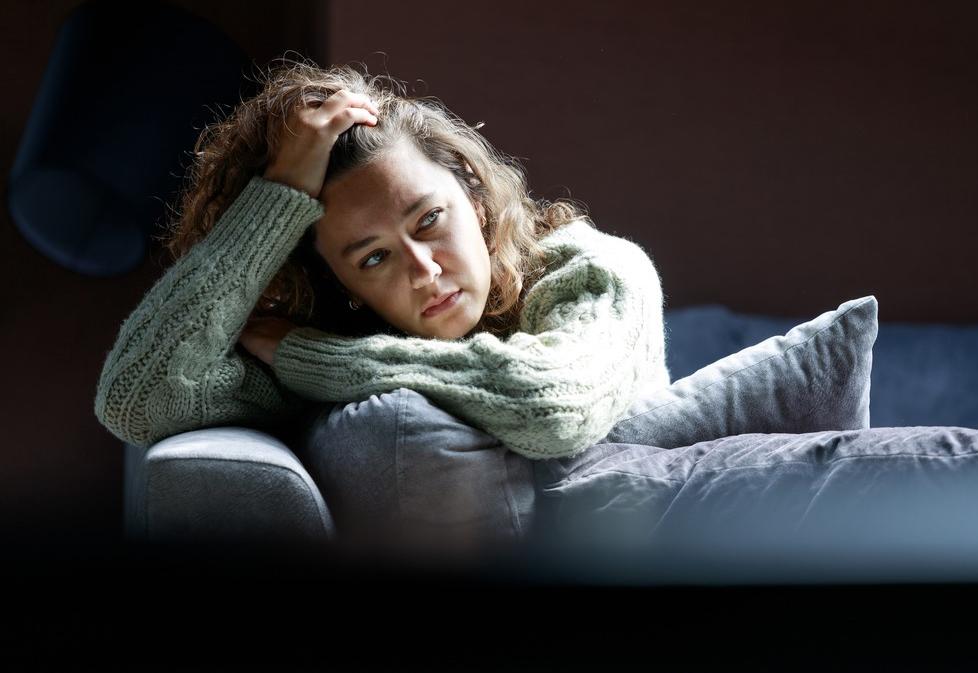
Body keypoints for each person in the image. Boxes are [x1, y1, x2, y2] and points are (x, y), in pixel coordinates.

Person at [93, 59, 670, 460]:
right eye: (372, 259)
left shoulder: (594, 269)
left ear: (474, 199)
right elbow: (139, 402)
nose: (424, 270)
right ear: (342, 281)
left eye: (429, 220)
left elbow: (550, 407)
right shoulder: (350, 333)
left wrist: (314, 360)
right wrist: (278, 196)